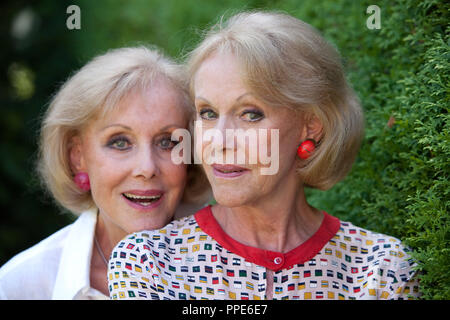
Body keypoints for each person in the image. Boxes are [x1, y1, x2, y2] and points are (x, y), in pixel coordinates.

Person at [108, 12, 420, 300]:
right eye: (208, 112)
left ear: (310, 125)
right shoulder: (149, 263)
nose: (219, 140)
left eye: (250, 114)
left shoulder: (381, 270)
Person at [0, 46, 210, 299]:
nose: (147, 168)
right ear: (77, 157)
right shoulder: (18, 285)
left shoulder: (241, 272)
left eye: (167, 142)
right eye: (120, 142)